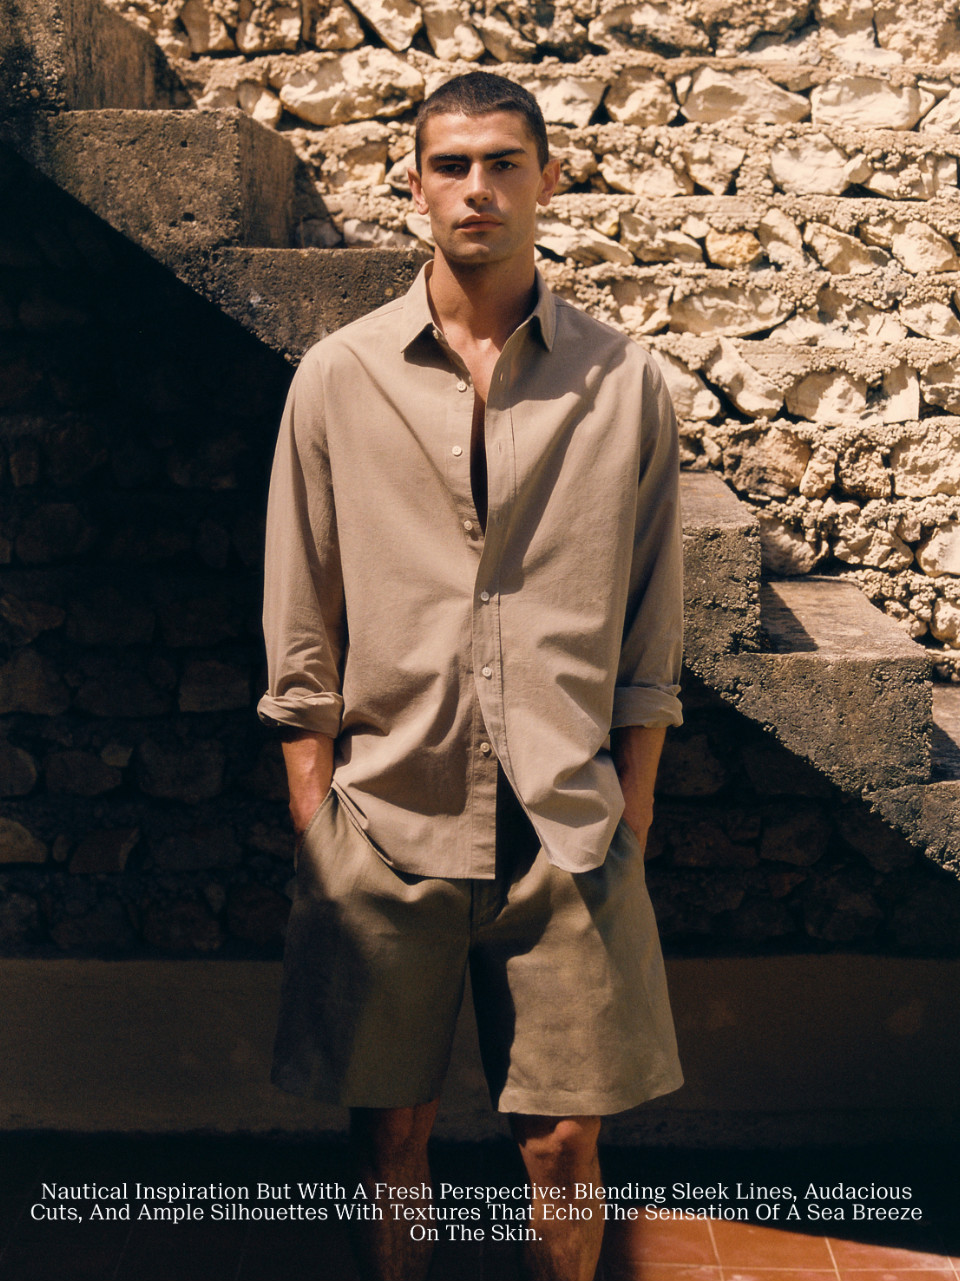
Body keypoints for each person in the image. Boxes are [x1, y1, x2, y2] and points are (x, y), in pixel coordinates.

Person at [258, 70, 684, 1281]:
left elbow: (652, 618)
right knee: (391, 1134)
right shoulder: (340, 376)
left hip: (570, 828)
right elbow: (301, 609)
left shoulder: (624, 383)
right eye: (452, 165)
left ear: (551, 179)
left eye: (505, 163)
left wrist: (634, 804)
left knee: (562, 1143)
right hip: (385, 819)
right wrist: (316, 810)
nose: (478, 188)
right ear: (414, 186)